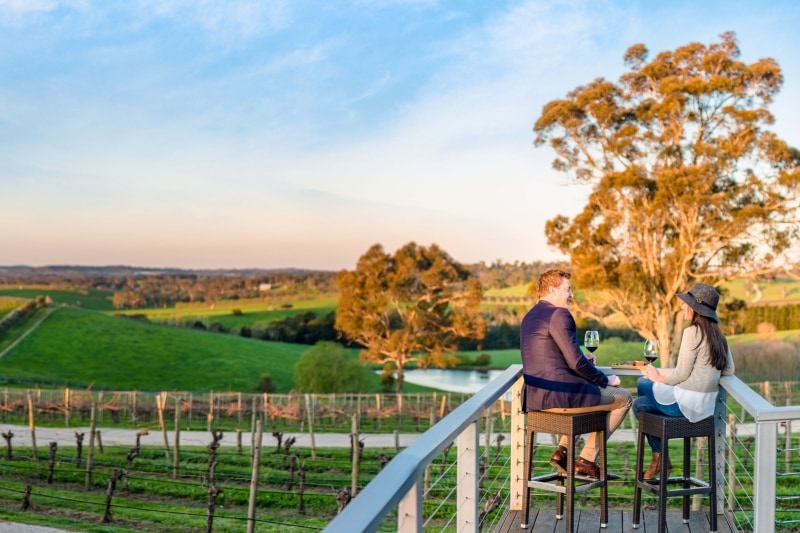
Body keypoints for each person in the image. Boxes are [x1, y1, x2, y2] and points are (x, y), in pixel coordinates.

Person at [520, 269, 632, 479]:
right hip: (560, 396)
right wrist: (605, 379)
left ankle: (562, 451)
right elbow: (576, 363)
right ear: (553, 289)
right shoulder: (559, 314)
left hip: (535, 398)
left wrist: (583, 361)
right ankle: (587, 460)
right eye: (567, 289)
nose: (571, 295)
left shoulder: (530, 316)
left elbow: (553, 357)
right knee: (624, 399)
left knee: (592, 397)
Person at [633, 282, 735, 479]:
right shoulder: (719, 335)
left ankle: (660, 457)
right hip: (705, 407)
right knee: (642, 403)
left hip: (685, 406)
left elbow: (680, 374)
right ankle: (660, 458)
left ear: (695, 308)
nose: (681, 307)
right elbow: (729, 369)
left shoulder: (692, 332)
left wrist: (658, 377)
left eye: (685, 304)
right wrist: (707, 376)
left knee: (642, 388)